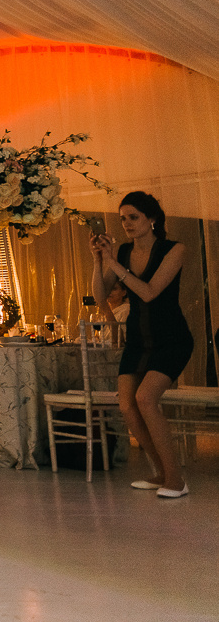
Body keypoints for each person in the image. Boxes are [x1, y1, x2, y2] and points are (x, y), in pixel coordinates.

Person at [91, 191, 193, 498]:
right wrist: (99, 261)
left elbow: (149, 292)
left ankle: (176, 479)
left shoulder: (174, 249)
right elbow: (99, 296)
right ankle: (160, 472)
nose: (127, 224)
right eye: (123, 218)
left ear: (152, 219)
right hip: (137, 339)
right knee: (127, 406)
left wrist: (113, 263)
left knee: (146, 399)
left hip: (171, 338)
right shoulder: (121, 253)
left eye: (133, 217)